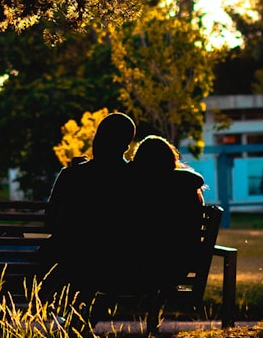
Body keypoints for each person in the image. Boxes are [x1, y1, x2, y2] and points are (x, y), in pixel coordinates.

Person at [41, 111, 137, 303]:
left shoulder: (72, 175)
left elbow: (49, 222)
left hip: (71, 260)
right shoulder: (134, 178)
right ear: (126, 146)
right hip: (119, 263)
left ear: (97, 139)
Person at [128, 135, 206, 305]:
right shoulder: (186, 185)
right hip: (179, 266)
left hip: (140, 268)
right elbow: (197, 179)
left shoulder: (137, 191)